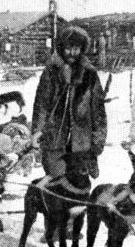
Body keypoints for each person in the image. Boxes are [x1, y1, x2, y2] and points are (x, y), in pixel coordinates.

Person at [31, 26, 107, 177]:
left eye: (77, 48)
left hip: (81, 144)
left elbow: (98, 111)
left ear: (82, 49)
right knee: (58, 186)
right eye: (68, 48)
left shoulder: (89, 74)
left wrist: (98, 141)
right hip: (54, 142)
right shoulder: (51, 72)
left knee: (78, 190)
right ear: (61, 48)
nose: (72, 53)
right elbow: (42, 105)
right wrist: (38, 130)